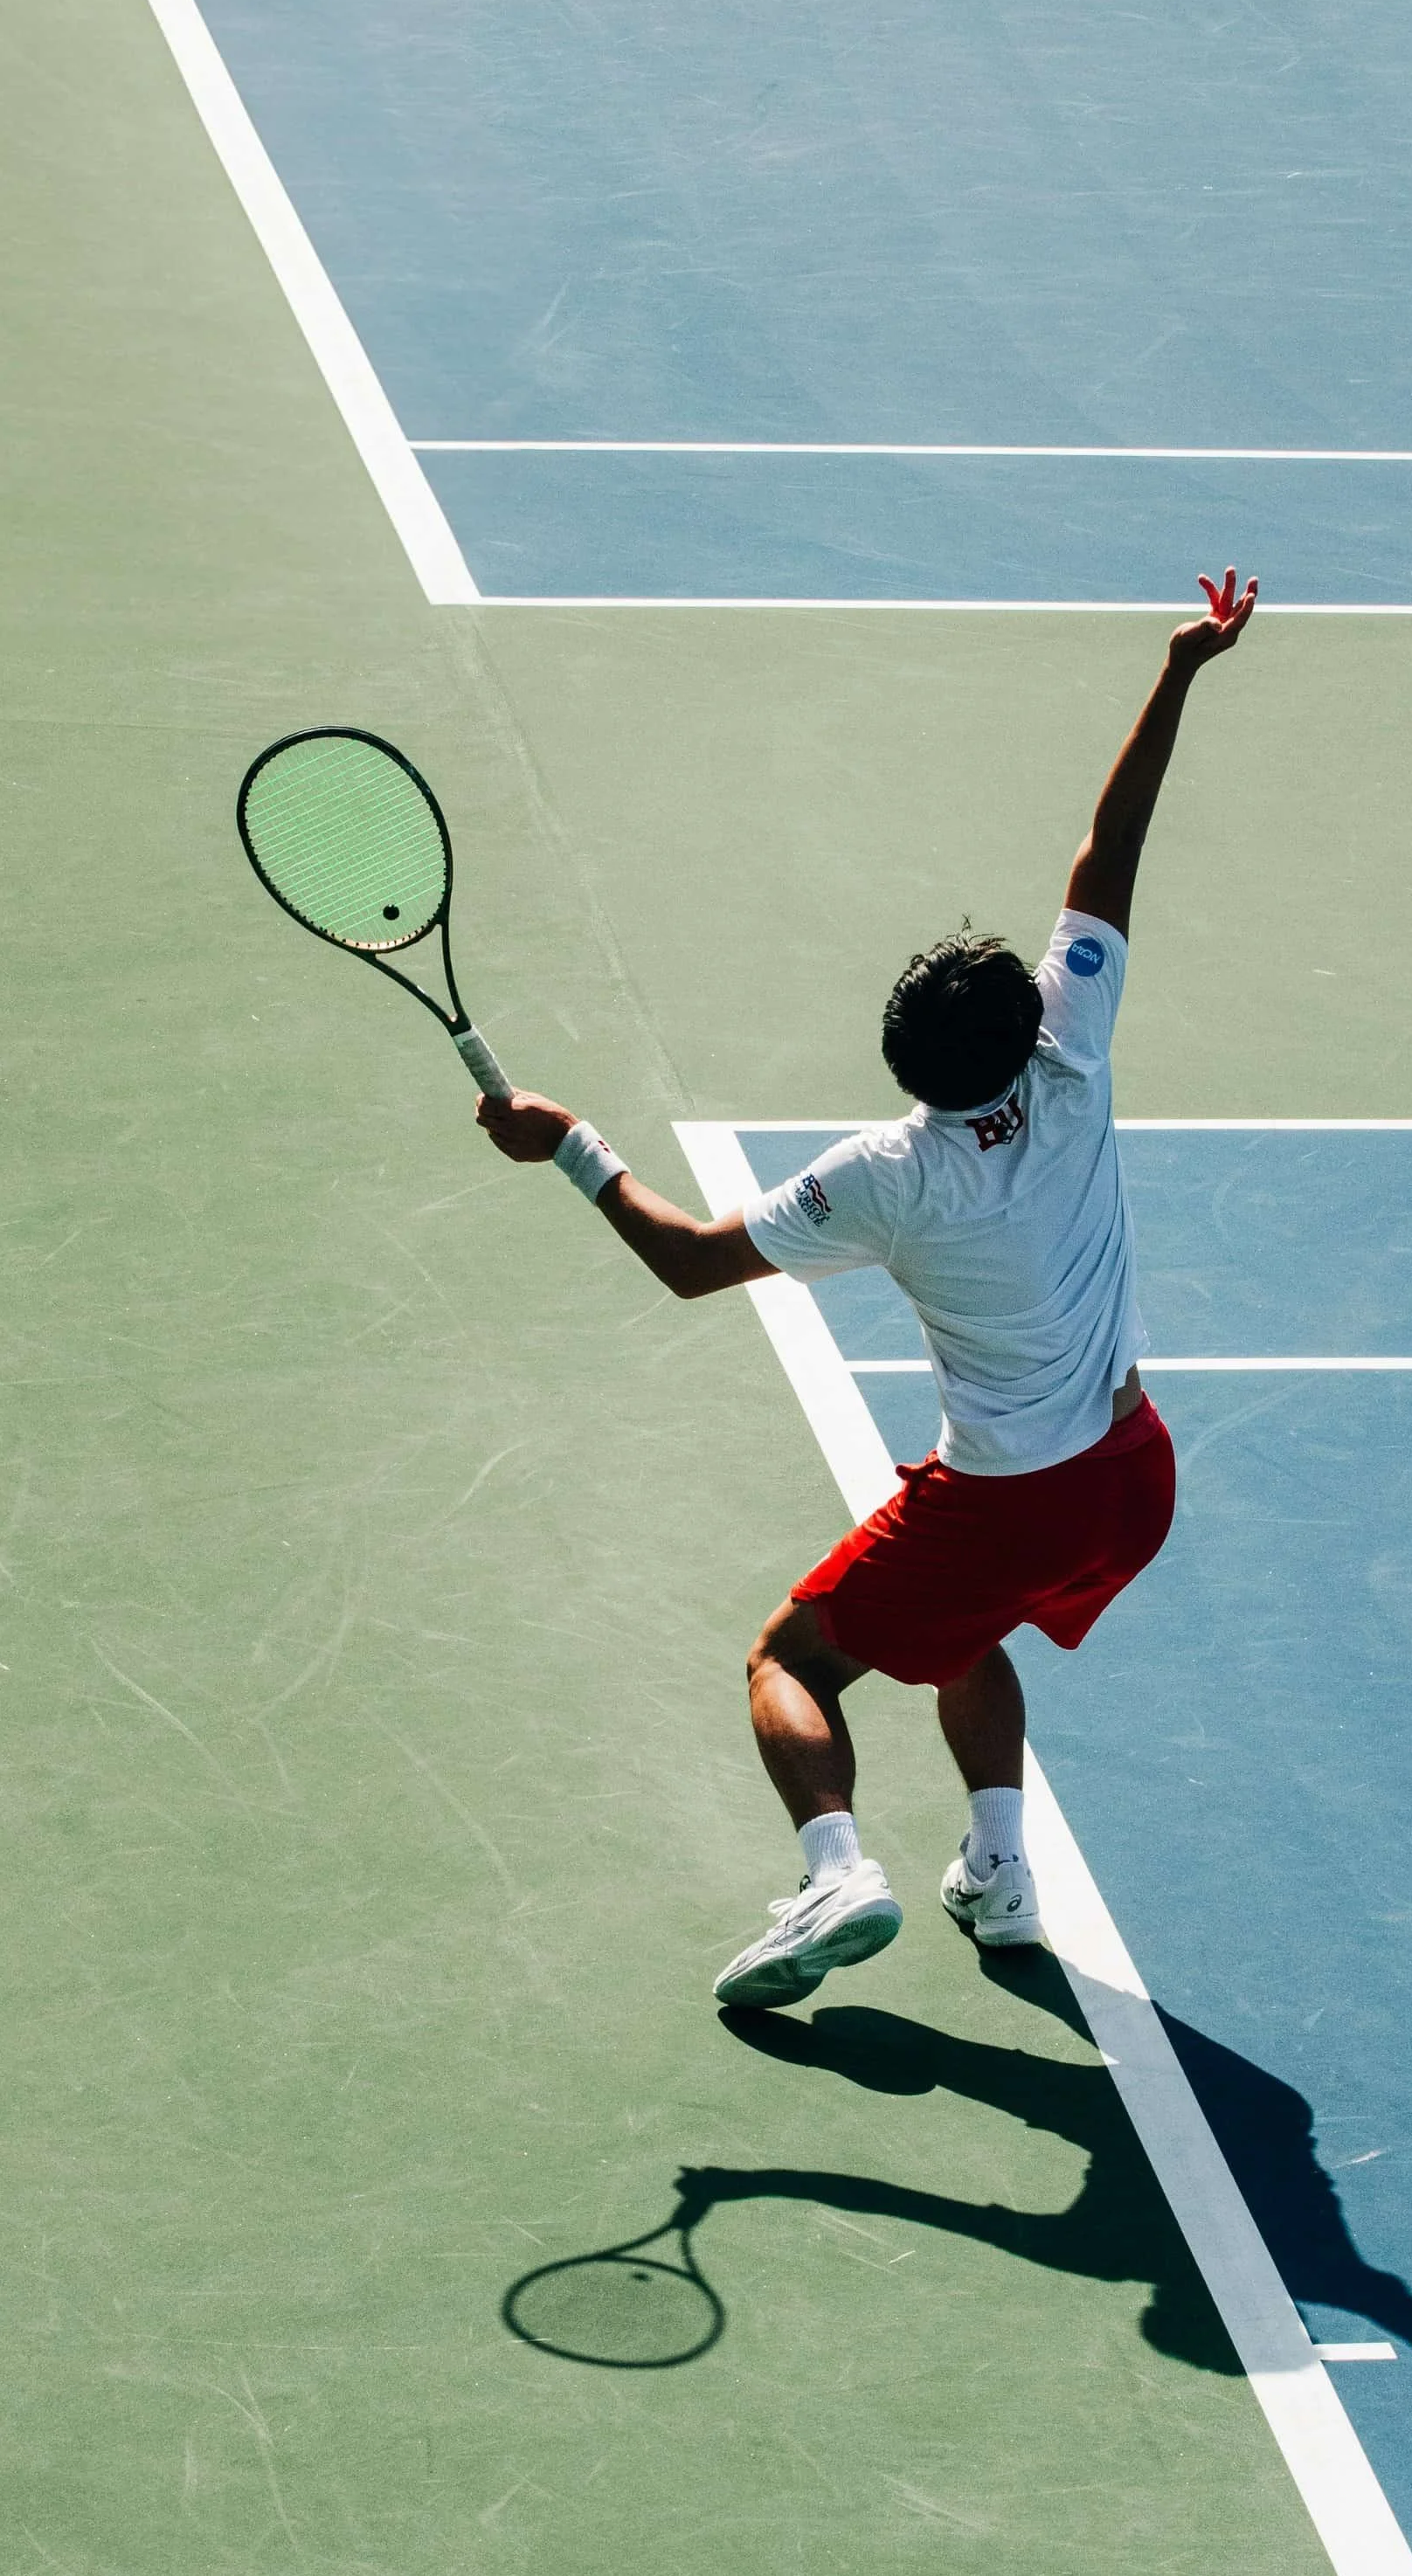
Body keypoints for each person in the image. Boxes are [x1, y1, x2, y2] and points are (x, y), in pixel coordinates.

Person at [477, 570, 1258, 2007]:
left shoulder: (884, 1175)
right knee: (968, 1626)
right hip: (1133, 1475)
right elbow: (1112, 849)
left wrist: (572, 1144)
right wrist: (1181, 669)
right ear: (1026, 1026)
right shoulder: (1074, 1056)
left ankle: (837, 1870)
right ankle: (1002, 1872)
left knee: (788, 1658)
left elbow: (689, 1259)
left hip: (1004, 1497)